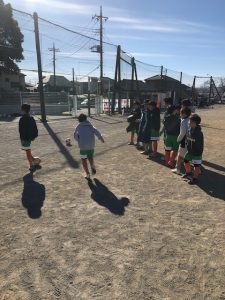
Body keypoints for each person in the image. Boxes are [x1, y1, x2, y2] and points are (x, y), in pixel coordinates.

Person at [74, 113, 104, 179]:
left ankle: (87, 174)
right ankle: (92, 166)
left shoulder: (78, 127)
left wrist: (78, 140)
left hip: (83, 147)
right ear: (86, 119)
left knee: (84, 160)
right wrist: (101, 139)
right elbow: (97, 132)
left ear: (79, 120)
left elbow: (75, 136)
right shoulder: (90, 126)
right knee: (90, 157)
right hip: (91, 146)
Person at [182, 114, 204, 184]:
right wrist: (184, 142)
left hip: (196, 152)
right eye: (189, 121)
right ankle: (188, 173)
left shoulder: (198, 133)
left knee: (196, 166)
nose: (189, 123)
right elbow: (187, 138)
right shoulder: (189, 129)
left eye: (191, 122)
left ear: (195, 123)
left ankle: (195, 178)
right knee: (185, 160)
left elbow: (198, 144)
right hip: (190, 151)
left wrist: (197, 152)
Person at [19, 103, 39, 172]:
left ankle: (32, 165)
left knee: (27, 151)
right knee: (27, 150)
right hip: (29, 138)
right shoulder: (31, 118)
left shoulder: (22, 119)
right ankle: (34, 160)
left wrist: (22, 139)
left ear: (23, 110)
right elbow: (35, 128)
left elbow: (21, 130)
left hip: (25, 138)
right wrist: (34, 136)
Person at [172, 106, 191, 174]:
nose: (180, 115)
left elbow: (182, 133)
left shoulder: (183, 122)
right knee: (189, 155)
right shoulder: (190, 120)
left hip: (184, 141)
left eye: (181, 113)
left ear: (185, 114)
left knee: (180, 156)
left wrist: (178, 139)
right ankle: (197, 170)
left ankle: (177, 169)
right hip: (190, 141)